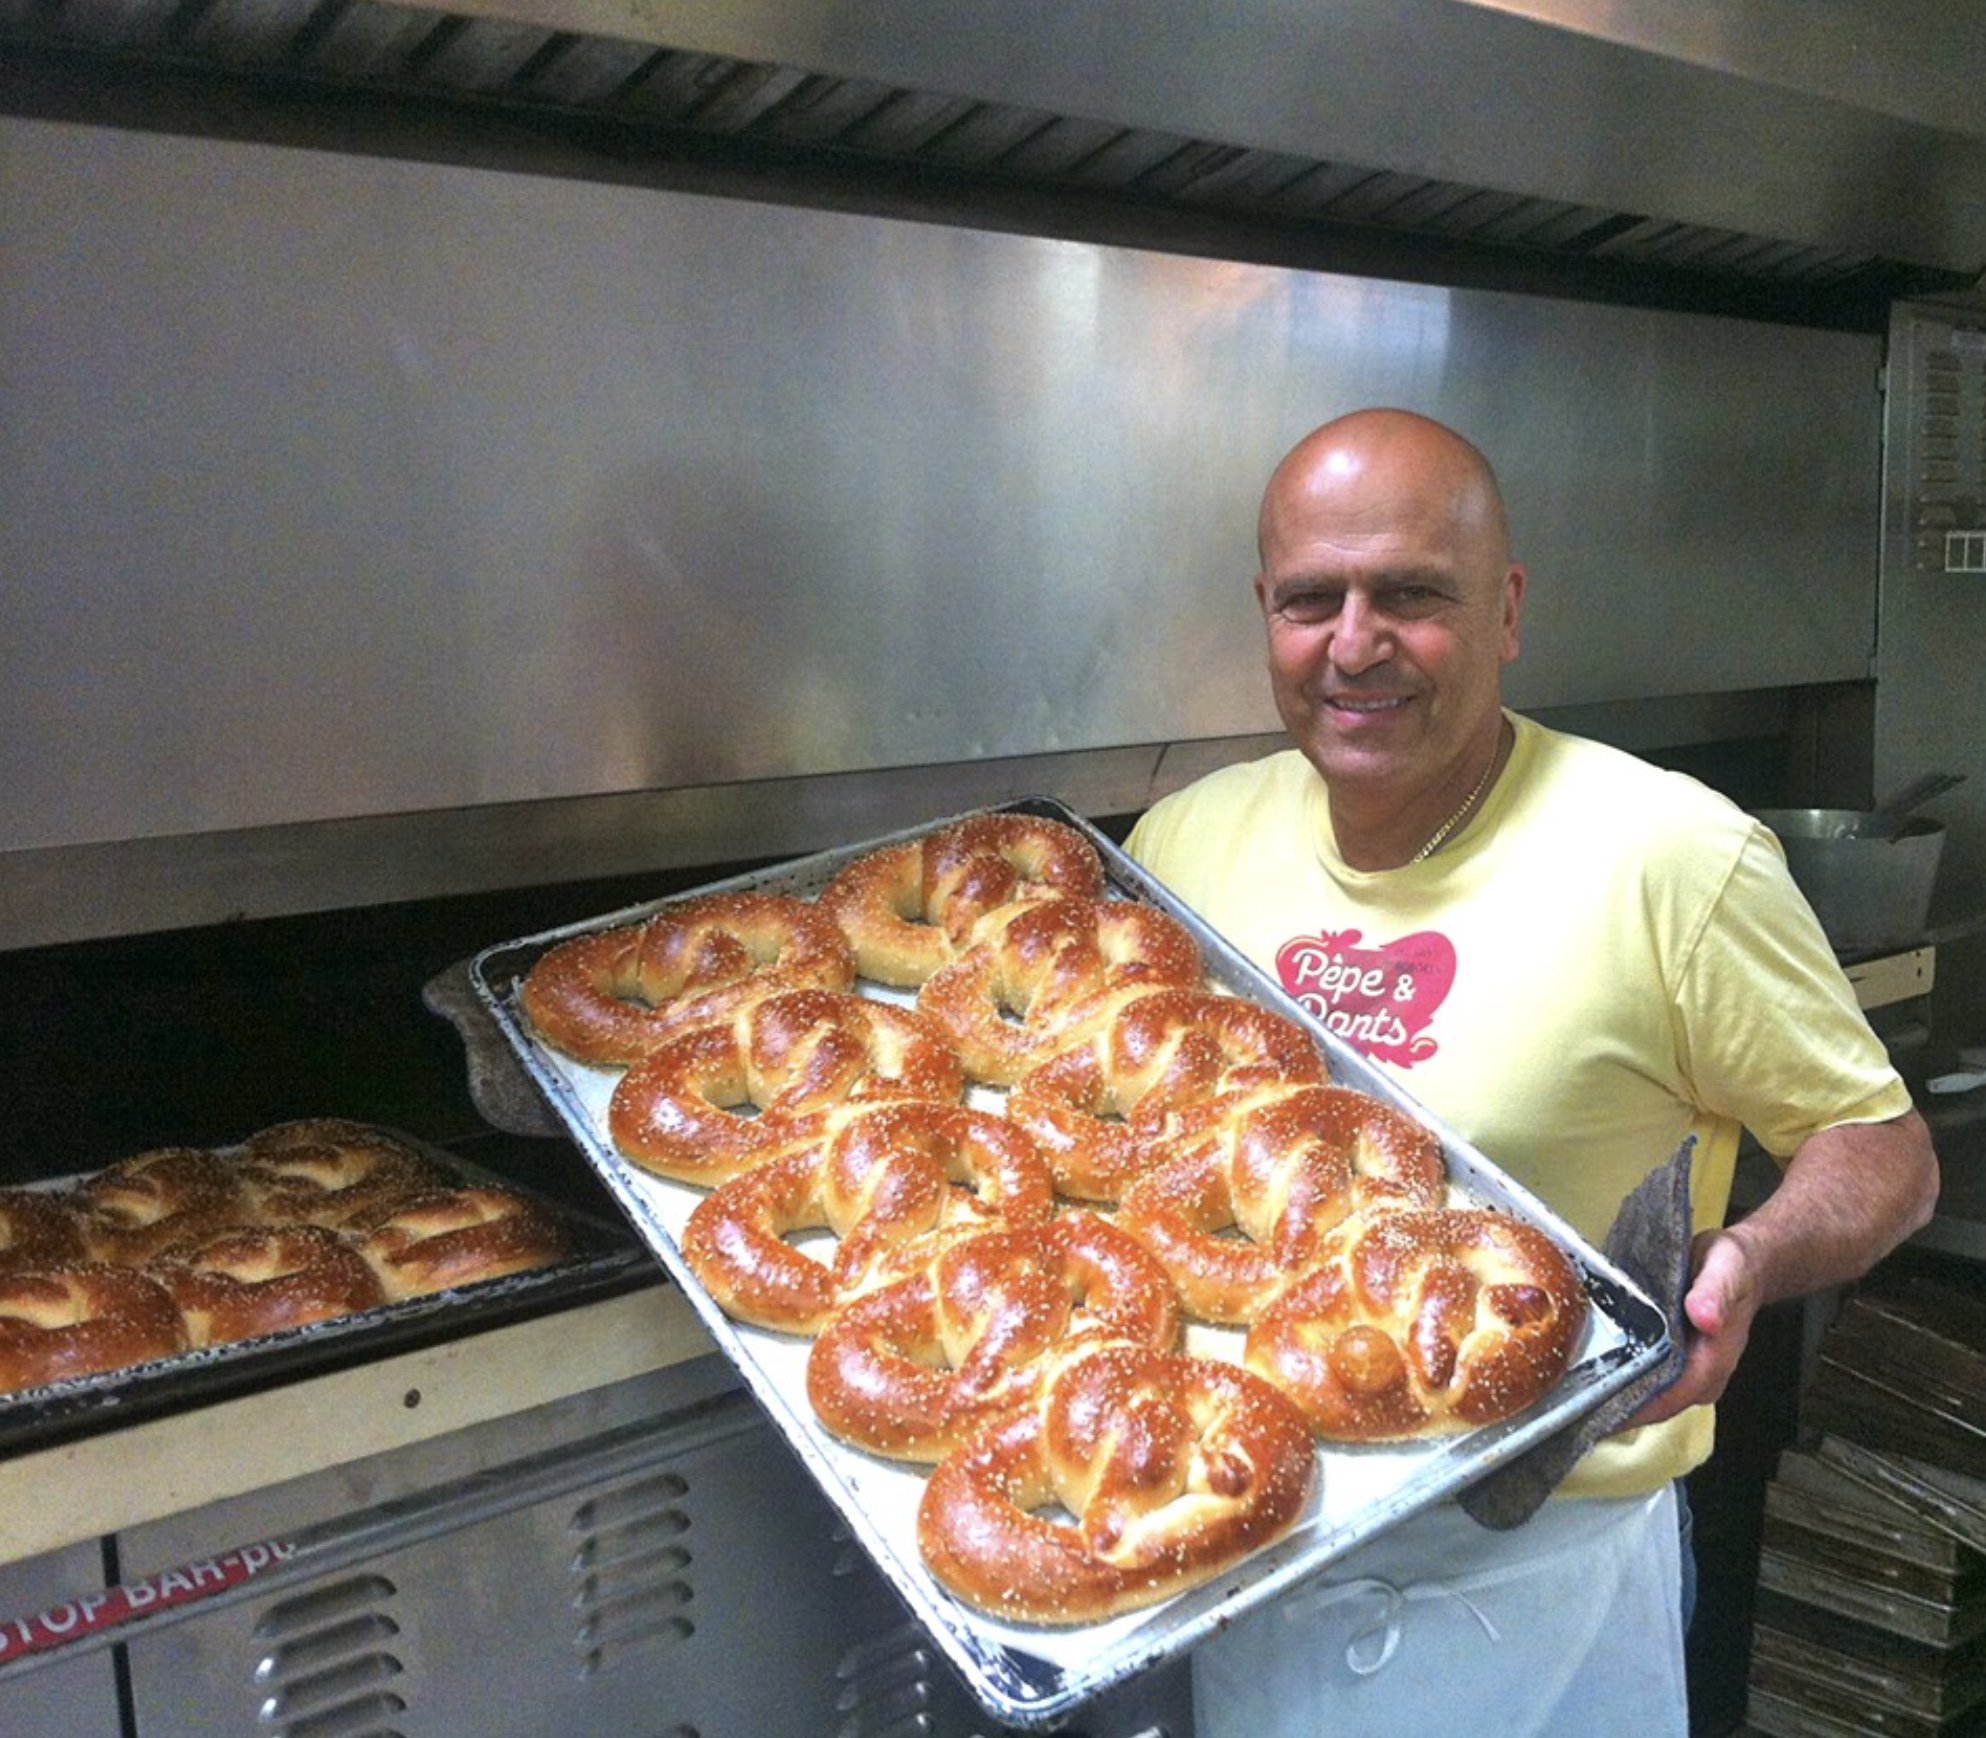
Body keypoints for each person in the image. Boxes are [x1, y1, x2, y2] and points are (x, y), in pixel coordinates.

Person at [1125, 407, 1939, 1737]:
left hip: (1541, 1570)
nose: (1353, 642)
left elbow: (1885, 1151)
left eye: (1410, 595)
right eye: (1309, 599)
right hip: (1249, 1545)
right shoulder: (1182, 840)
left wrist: (1753, 1254)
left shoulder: (1669, 856)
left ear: (1505, 608)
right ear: (1263, 612)